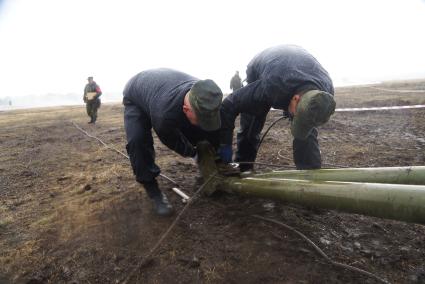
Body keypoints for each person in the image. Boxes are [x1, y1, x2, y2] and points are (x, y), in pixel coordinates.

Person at [218, 45, 336, 172]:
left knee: (307, 126)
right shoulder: (272, 87)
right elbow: (228, 105)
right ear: (295, 99)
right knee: (252, 122)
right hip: (262, 68)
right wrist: (225, 155)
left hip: (296, 64)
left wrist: (300, 119)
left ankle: (309, 174)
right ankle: (244, 167)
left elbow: (307, 121)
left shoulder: (325, 95)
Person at [123, 68, 223, 216]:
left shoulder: (206, 96)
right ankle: (154, 192)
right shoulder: (164, 116)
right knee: (138, 143)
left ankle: (208, 170)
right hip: (136, 95)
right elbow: (174, 141)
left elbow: (215, 130)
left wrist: (217, 152)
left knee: (201, 129)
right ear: (186, 109)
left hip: (163, 87)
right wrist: (194, 153)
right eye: (199, 118)